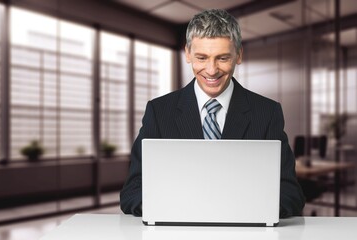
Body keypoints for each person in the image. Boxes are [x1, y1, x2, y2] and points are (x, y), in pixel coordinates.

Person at [120, 9, 305, 218]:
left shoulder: (267, 112)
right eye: (202, 57)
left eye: (223, 58)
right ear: (188, 54)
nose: (211, 70)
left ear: (239, 55)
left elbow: (291, 194)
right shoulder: (159, 111)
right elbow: (132, 191)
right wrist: (181, 207)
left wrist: (232, 209)